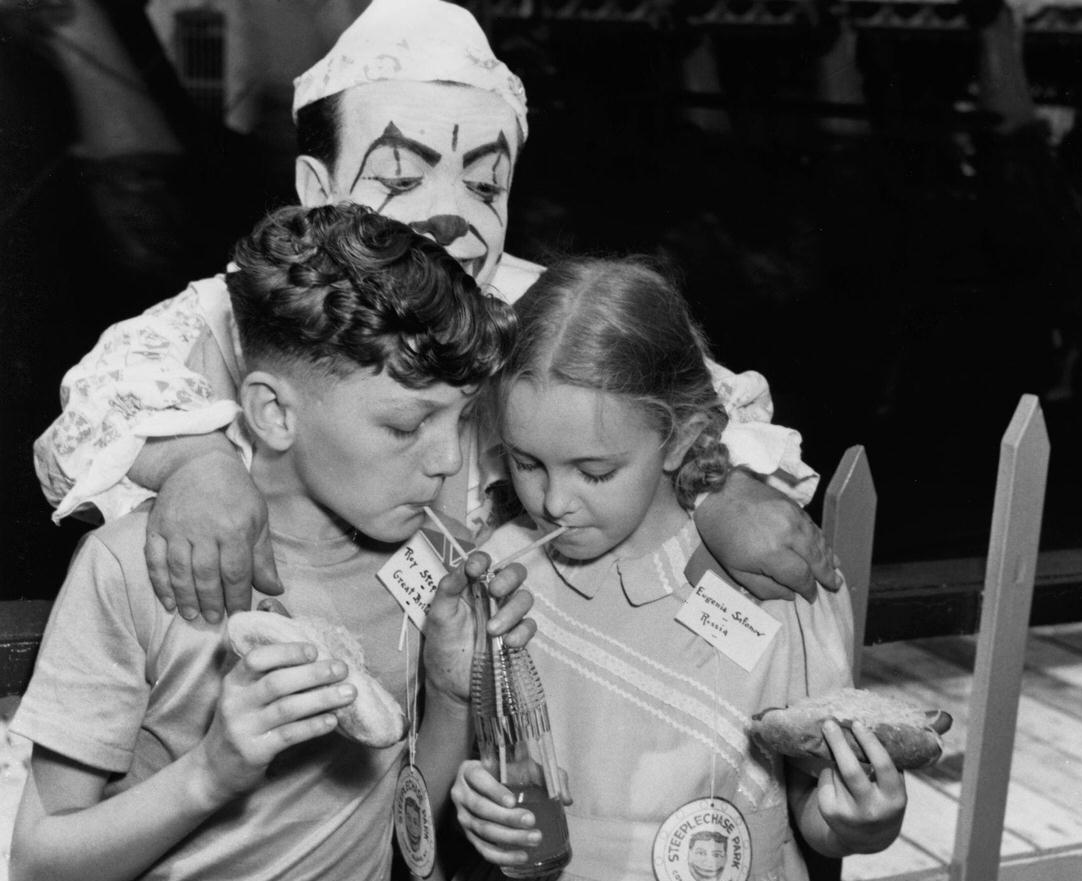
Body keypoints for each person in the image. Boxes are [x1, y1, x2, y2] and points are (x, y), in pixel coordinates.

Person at [31, 0, 834, 630]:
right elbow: (105, 393)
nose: (449, 215)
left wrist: (728, 488)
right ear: (318, 187)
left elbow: (694, 398)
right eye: (402, 177)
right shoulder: (252, 306)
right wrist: (195, 464)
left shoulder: (539, 306)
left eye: (483, 185)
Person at [7, 203, 533, 881]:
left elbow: (403, 839)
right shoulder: (133, 567)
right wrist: (213, 769)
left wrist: (453, 692)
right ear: (274, 411)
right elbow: (39, 870)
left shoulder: (427, 563)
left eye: (463, 419)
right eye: (407, 423)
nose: (446, 460)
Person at [414, 257, 908, 881]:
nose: (553, 499)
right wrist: (480, 818)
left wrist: (860, 820)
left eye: (594, 469)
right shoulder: (500, 574)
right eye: (526, 461)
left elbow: (814, 807)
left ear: (681, 440)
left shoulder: (776, 589)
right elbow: (461, 776)